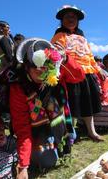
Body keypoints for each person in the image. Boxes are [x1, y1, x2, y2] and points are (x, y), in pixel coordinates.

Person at [10, 38, 83, 178]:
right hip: (36, 129)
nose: (41, 72)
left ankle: (59, 139)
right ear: (26, 67)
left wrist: (66, 57)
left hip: (58, 121)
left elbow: (78, 76)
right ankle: (47, 142)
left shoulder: (54, 74)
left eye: (45, 68)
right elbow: (22, 126)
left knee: (71, 136)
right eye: (35, 68)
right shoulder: (18, 88)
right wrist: (23, 165)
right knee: (46, 160)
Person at [51, 5, 105, 141]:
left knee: (88, 103)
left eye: (74, 17)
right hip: (70, 74)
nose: (71, 19)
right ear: (62, 20)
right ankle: (71, 133)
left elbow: (89, 55)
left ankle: (91, 131)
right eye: (67, 16)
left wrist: (98, 69)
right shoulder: (59, 35)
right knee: (71, 103)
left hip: (87, 73)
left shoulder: (82, 37)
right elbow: (56, 55)